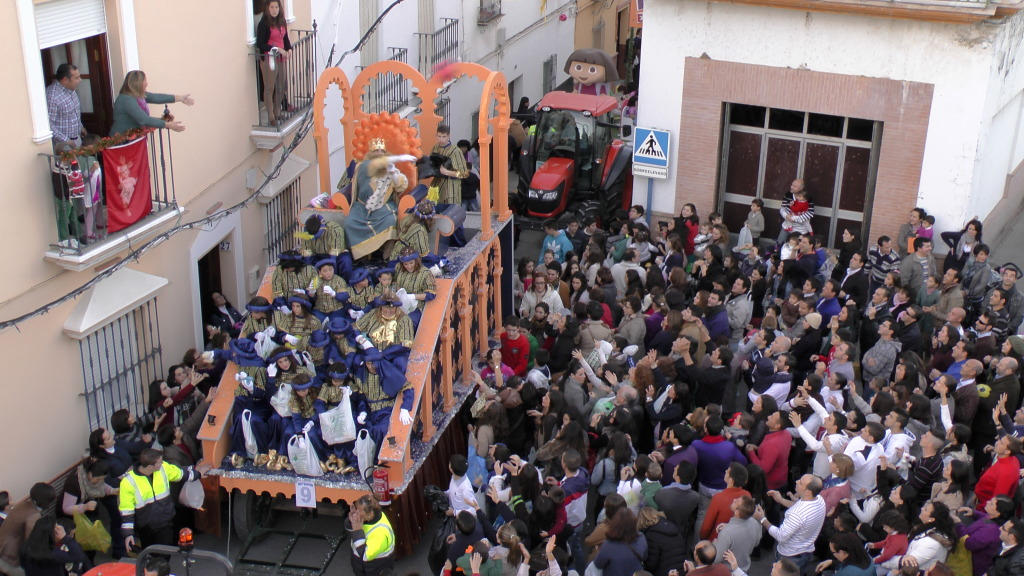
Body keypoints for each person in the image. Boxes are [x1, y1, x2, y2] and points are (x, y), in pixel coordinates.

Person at [119, 448, 206, 551]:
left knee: (165, 551)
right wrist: (128, 533)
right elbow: (126, 509)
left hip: (165, 521)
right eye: (159, 462)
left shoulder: (163, 468)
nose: (162, 463)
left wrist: (199, 474)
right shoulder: (128, 482)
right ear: (151, 466)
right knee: (150, 553)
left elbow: (180, 474)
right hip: (146, 526)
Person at [339, 139, 412, 259]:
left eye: (381, 151)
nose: (379, 153)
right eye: (376, 151)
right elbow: (350, 183)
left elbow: (400, 186)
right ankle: (361, 257)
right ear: (371, 153)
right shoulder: (361, 167)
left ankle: (387, 256)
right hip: (361, 206)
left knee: (391, 221)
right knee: (348, 223)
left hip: (383, 206)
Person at [753, 474, 827, 573]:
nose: (796, 481)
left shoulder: (796, 514)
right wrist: (780, 500)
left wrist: (762, 519)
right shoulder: (819, 500)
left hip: (790, 556)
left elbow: (780, 536)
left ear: (808, 492)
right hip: (807, 550)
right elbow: (798, 506)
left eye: (800, 482)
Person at [109, 70, 191, 136]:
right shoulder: (127, 99)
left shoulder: (138, 95)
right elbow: (144, 119)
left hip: (132, 140)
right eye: (144, 80)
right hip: (121, 142)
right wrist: (168, 125)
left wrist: (180, 98)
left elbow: (156, 97)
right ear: (137, 83)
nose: (147, 84)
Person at [0, 483, 56, 576]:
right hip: (10, 560)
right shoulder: (33, 516)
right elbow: (33, 543)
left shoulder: (22, 505)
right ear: (46, 502)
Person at [256, 0, 293, 126]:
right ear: (267, 9)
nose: (274, 10)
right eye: (272, 7)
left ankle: (277, 111)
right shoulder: (264, 24)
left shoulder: (282, 22)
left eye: (276, 7)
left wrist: (289, 49)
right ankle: (271, 116)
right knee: (269, 88)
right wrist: (277, 49)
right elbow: (261, 44)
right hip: (269, 59)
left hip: (281, 58)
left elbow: (286, 39)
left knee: (281, 86)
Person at [346, 494, 395, 576]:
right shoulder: (369, 518)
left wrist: (357, 530)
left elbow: (365, 556)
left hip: (375, 571)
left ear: (370, 514)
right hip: (363, 569)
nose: (356, 513)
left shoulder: (380, 534)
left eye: (359, 510)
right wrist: (352, 522)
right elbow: (350, 528)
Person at [712, 495, 761, 572]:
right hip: (744, 568)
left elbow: (716, 559)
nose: (734, 499)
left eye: (736, 502)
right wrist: (729, 526)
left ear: (737, 512)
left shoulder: (726, 533)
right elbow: (756, 543)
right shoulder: (754, 523)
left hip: (728, 571)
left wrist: (715, 544)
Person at [46, 64, 85, 150]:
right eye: (76, 78)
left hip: (77, 140)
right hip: (63, 146)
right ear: (65, 80)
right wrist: (66, 140)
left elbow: (73, 113)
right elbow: (48, 124)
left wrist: (81, 127)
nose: (80, 80)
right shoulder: (52, 96)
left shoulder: (71, 89)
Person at [430, 124, 469, 205]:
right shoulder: (435, 147)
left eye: (444, 136)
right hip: (436, 187)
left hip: (451, 189)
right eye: (439, 136)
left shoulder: (456, 151)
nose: (441, 139)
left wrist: (446, 172)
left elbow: (465, 174)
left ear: (448, 136)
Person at [776, 179, 814, 245]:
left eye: (794, 186)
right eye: (792, 185)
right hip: (787, 226)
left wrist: (794, 218)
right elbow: (783, 208)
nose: (791, 187)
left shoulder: (808, 197)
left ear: (801, 188)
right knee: (779, 244)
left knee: (796, 248)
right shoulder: (788, 194)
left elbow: (810, 213)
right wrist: (786, 216)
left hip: (800, 230)